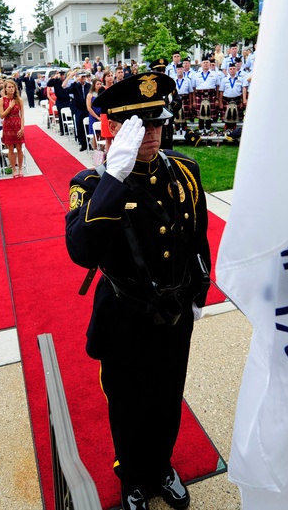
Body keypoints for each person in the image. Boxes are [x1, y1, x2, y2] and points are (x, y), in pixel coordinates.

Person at [65, 72, 210, 510]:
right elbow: (82, 250)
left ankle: (162, 466)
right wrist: (114, 177)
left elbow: (197, 236)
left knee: (168, 395)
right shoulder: (89, 186)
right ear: (113, 127)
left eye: (156, 122)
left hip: (175, 310)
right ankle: (132, 477)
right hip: (125, 316)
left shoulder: (184, 170)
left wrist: (200, 289)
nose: (151, 133)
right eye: (139, 125)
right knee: (129, 403)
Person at [0, 79, 25, 177]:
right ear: (5, 88)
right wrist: (9, 107)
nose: (11, 89)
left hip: (17, 123)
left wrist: (22, 128)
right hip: (8, 124)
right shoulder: (2, 100)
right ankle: (14, 169)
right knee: (10, 148)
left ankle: (20, 168)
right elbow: (2, 115)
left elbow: (22, 115)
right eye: (9, 87)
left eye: (13, 87)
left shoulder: (19, 99)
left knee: (19, 148)